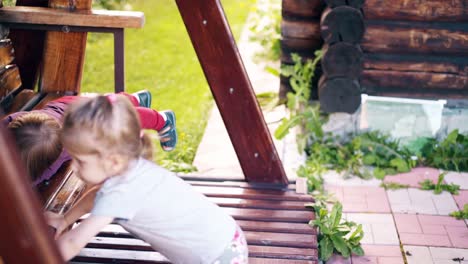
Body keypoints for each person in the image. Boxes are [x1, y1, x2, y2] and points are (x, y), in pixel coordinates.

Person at [45, 95, 248, 263]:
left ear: (113, 161)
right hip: (226, 237)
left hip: (217, 257)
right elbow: (98, 194)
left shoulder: (121, 193)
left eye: (80, 161)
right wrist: (65, 219)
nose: (74, 167)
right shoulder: (130, 166)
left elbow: (73, 242)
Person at [1, 91, 177, 185]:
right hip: (66, 104)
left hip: (82, 120)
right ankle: (134, 99)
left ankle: (163, 120)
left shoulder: (62, 149)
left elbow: (45, 175)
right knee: (108, 104)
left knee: (119, 118)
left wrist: (30, 183)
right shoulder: (14, 120)